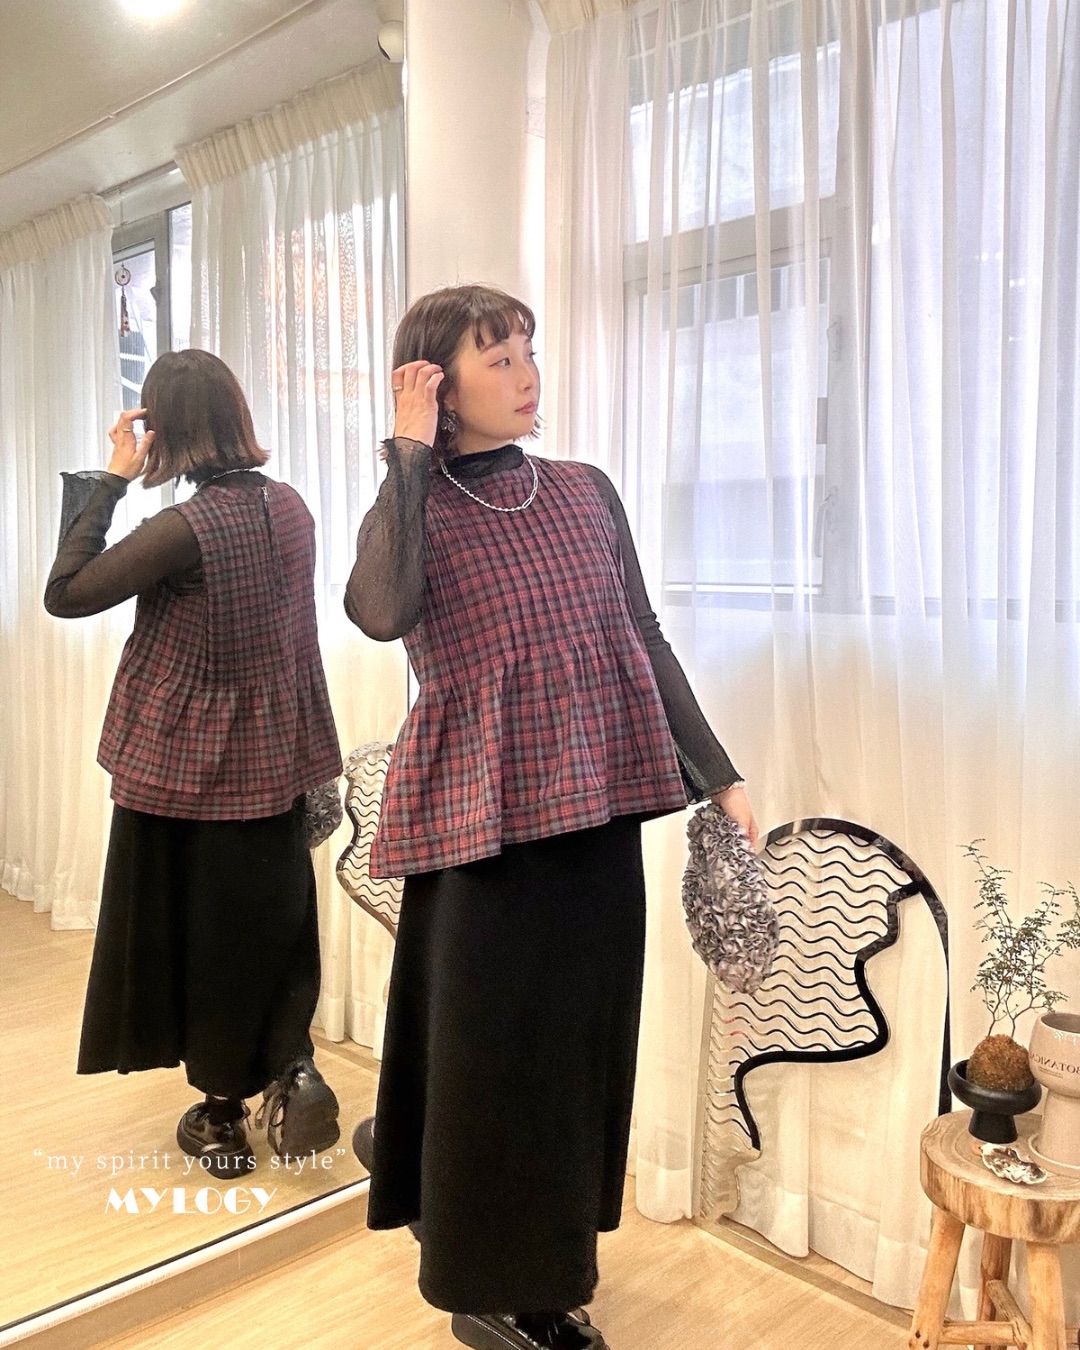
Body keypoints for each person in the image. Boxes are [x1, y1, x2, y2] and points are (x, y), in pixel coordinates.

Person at [345, 285, 757, 1350]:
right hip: (480, 829)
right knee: (489, 1062)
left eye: (529, 351)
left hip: (597, 810)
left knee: (577, 1057)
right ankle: (493, 1282)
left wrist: (718, 773)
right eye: (498, 359)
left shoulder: (584, 489)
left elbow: (642, 634)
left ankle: (546, 1268)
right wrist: (407, 451)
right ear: (436, 384)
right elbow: (380, 612)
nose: (528, 375)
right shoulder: (412, 509)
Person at [44, 349, 343, 1177]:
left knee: (198, 936)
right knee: (270, 924)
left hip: (189, 772)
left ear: (163, 430)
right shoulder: (291, 507)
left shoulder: (183, 528)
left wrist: (112, 478)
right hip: (279, 760)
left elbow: (66, 593)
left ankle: (221, 1121)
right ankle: (290, 1061)